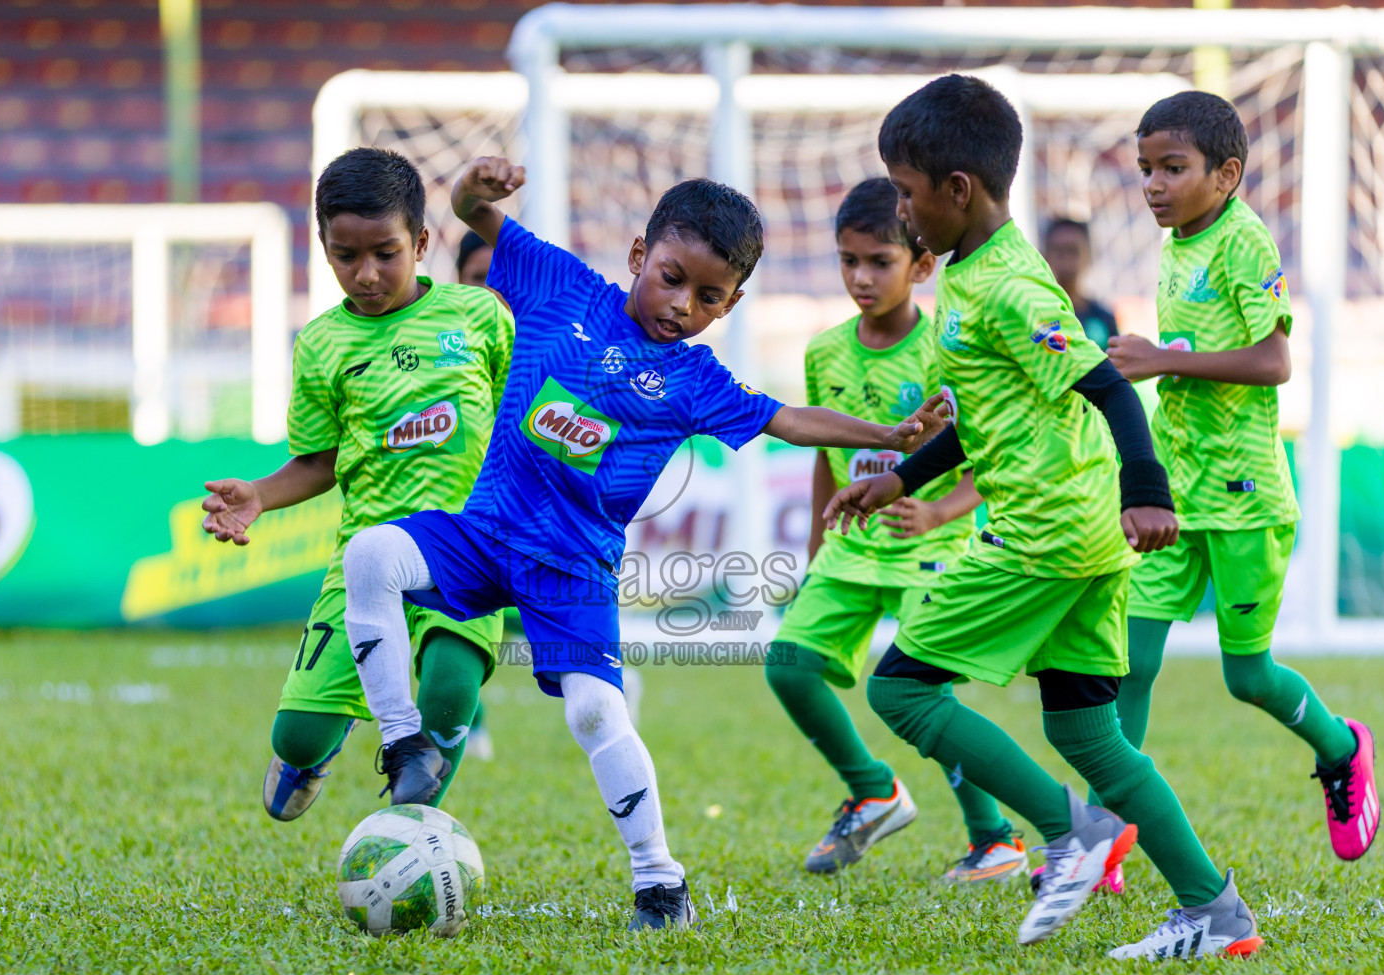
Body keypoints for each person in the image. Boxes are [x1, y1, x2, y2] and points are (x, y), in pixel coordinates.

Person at [340, 155, 948, 930]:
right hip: (485, 532)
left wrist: (889, 435)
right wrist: (472, 189)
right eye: (670, 278)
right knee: (371, 556)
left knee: (596, 714)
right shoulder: (559, 286)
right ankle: (405, 746)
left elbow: (786, 419)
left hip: (573, 571)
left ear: (729, 305)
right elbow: (471, 214)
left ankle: (660, 883)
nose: (681, 305)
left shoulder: (695, 381)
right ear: (637, 256)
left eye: (708, 297)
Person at [827, 74, 1262, 960]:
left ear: (958, 191)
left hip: (1048, 531)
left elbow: (1105, 385)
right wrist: (899, 479)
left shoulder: (1013, 289)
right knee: (1087, 732)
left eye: (906, 195)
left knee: (900, 689)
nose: (900, 214)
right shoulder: (974, 274)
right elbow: (995, 418)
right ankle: (1214, 912)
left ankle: (1074, 833)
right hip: (1079, 531)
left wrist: (1149, 489)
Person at [1106, 91, 1379, 863]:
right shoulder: (1175, 243)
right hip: (1175, 491)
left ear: (1226, 175)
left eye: (1173, 168)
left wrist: (1163, 359)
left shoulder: (1245, 242)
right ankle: (1110, 835)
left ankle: (1340, 749)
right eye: (1145, 169)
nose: (1154, 185)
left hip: (1246, 498)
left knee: (1247, 676)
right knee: (1131, 659)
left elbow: (1274, 363)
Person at [199, 148, 511, 822]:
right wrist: (259, 494)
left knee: (452, 688)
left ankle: (414, 831)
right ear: (324, 248)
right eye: (346, 256)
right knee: (296, 734)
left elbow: (523, 420)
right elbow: (316, 462)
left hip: (467, 550)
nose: (366, 274)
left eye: (386, 253)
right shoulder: (321, 345)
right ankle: (315, 747)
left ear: (422, 243)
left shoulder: (480, 318)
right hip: (365, 561)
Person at [768, 177, 1027, 883]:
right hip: (850, 552)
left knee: (923, 697)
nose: (860, 277)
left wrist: (942, 509)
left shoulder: (947, 350)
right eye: (848, 260)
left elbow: (992, 451)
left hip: (933, 550)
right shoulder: (825, 353)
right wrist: (817, 549)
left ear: (921, 266)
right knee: (787, 665)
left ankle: (995, 837)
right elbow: (828, 454)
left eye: (878, 261)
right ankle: (873, 788)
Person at [455, 227, 498, 763]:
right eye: (480, 280)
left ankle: (609, 681)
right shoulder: (448, 347)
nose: (494, 293)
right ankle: (472, 721)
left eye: (504, 280)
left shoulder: (540, 345)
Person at [1041, 218, 1120, 350]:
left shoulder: (1103, 318)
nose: (1066, 259)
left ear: (1089, 255)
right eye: (1059, 252)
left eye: (1073, 251)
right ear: (1043, 255)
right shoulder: (1035, 314)